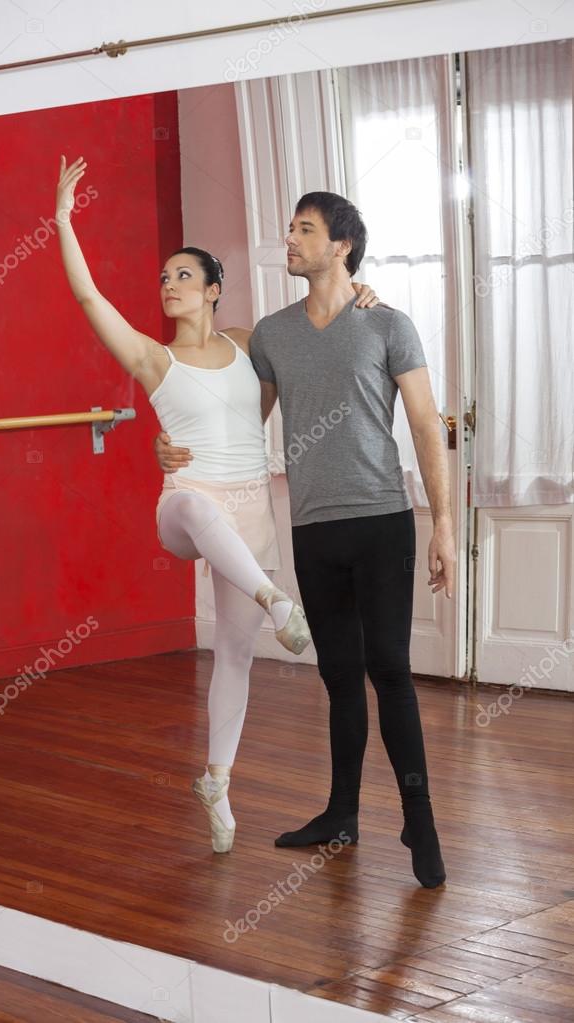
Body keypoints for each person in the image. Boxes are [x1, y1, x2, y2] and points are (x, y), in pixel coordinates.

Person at [55, 157, 380, 855]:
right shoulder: (153, 358)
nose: (168, 285)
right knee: (200, 512)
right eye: (163, 277)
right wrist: (62, 219)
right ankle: (279, 601)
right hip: (185, 506)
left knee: (234, 655)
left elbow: (318, 330)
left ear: (213, 291)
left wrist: (363, 293)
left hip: (251, 510)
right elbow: (87, 298)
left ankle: (216, 781)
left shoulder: (247, 343)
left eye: (183, 276)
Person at [154, 192, 456, 889]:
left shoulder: (389, 323)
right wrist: (166, 450)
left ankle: (420, 819)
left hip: (381, 519)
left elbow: (424, 421)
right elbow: (233, 420)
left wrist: (442, 523)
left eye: (304, 230)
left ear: (341, 246)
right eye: (289, 227)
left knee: (389, 668)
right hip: (314, 527)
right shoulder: (272, 334)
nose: (289, 239)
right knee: (338, 675)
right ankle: (341, 813)